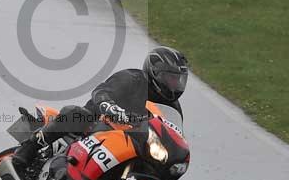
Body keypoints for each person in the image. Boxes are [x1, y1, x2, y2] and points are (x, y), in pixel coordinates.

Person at [12, 46, 189, 171]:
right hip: (94, 125)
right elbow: (101, 92)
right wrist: (113, 109)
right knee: (75, 113)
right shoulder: (134, 78)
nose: (175, 85)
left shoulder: (173, 107)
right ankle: (28, 148)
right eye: (170, 78)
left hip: (127, 142)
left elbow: (172, 133)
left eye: (178, 80)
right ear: (155, 72)